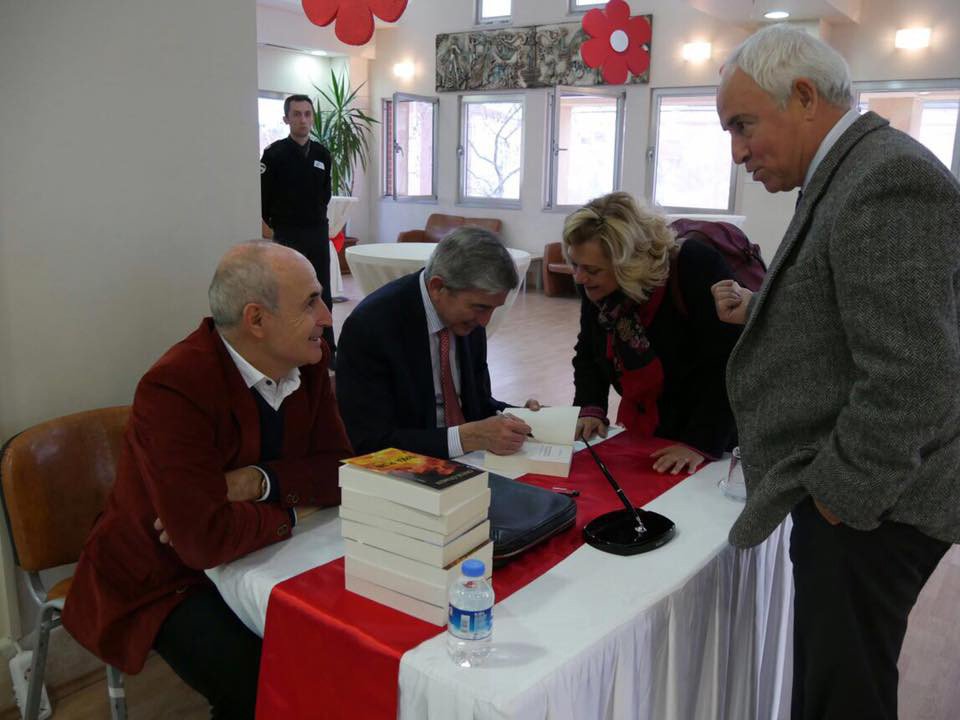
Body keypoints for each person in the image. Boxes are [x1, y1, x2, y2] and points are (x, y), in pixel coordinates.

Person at [711, 24, 959, 720]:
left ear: (804, 96)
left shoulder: (887, 179)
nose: (737, 152)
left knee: (843, 690)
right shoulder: (850, 170)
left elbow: (915, 374)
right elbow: (850, 306)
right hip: (869, 493)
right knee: (834, 677)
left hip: (877, 505)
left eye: (743, 124)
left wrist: (839, 497)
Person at [62, 242, 351, 719]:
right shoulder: (175, 387)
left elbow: (341, 472)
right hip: (164, 575)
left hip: (268, 553)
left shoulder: (307, 363)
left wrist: (256, 483)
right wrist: (297, 507)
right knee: (259, 682)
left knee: (336, 649)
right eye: (311, 301)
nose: (326, 315)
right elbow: (200, 542)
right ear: (256, 320)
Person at [563, 191, 741, 474]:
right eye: (575, 265)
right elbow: (588, 349)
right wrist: (589, 406)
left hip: (717, 435)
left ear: (628, 265)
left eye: (592, 270)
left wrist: (698, 443)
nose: (579, 277)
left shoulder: (695, 266)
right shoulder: (594, 283)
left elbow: (730, 364)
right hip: (652, 427)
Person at [335, 227, 539, 459]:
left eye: (493, 308)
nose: (485, 321)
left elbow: (478, 404)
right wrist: (466, 438)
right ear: (437, 287)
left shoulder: (468, 319)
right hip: (409, 473)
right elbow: (369, 441)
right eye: (480, 307)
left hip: (473, 459)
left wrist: (523, 418)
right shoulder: (372, 327)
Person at [260, 93, 337, 361]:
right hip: (288, 234)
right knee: (290, 290)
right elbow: (263, 198)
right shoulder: (274, 155)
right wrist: (276, 228)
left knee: (321, 289)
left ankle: (328, 349)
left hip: (316, 231)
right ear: (286, 119)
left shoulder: (322, 154)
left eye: (307, 114)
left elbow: (325, 194)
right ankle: (289, 344)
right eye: (297, 114)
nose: (303, 120)